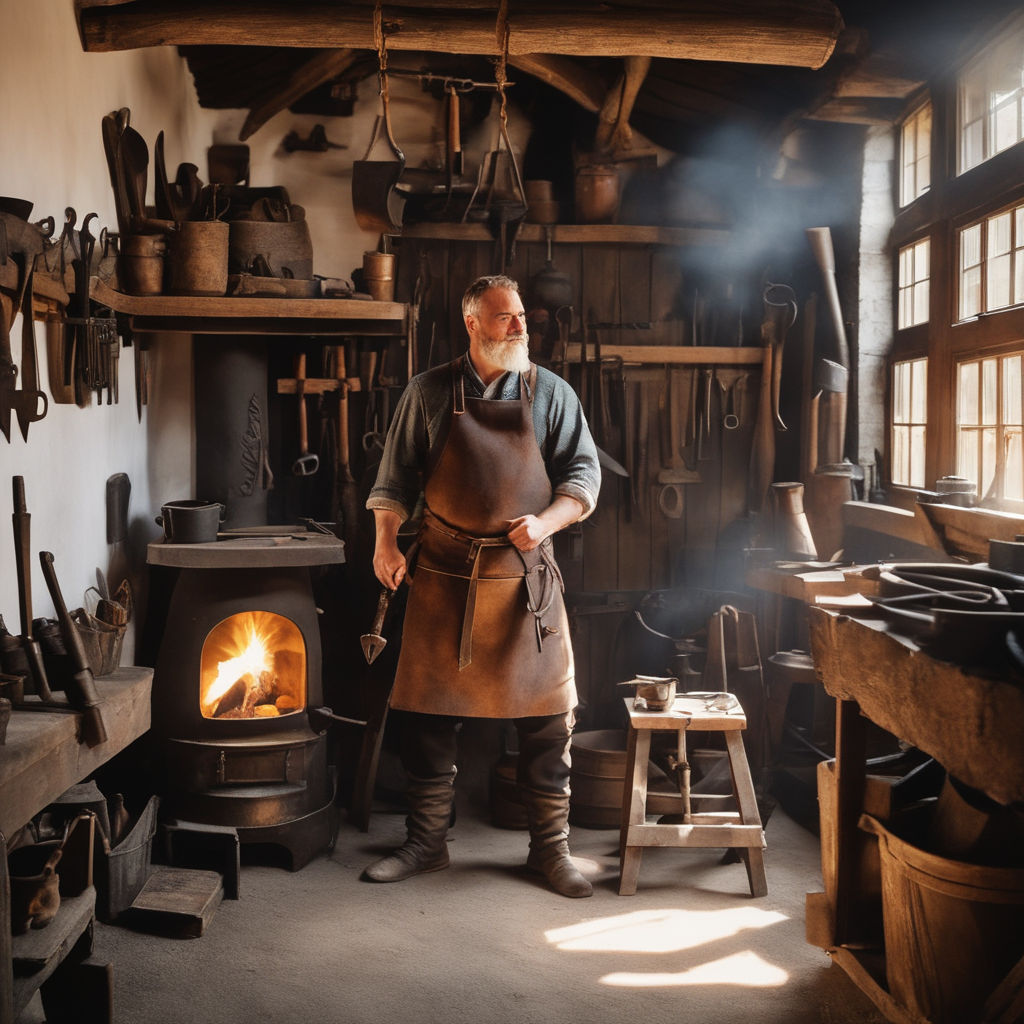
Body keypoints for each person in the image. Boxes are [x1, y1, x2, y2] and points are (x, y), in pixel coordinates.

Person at [363, 274, 601, 898]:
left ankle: (549, 852)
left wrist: (545, 521)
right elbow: (393, 482)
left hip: (526, 584)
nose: (521, 326)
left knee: (549, 723)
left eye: (521, 316)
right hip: (444, 577)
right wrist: (386, 542)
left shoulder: (551, 394)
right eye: (505, 318)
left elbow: (583, 477)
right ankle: (426, 844)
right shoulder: (428, 392)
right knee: (430, 720)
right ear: (472, 323)